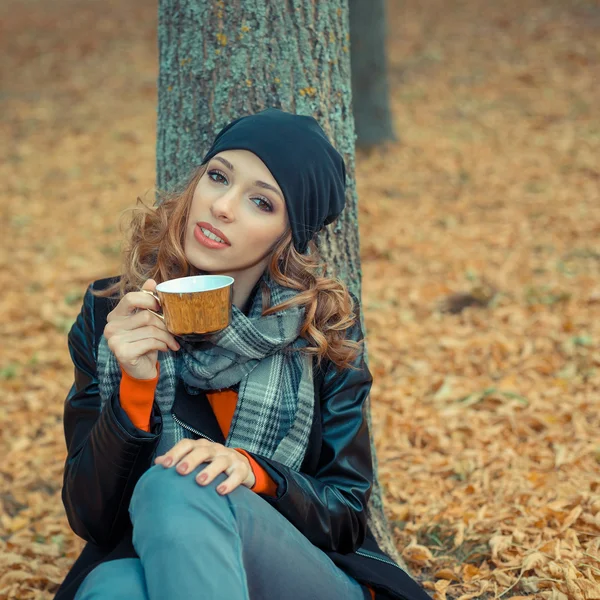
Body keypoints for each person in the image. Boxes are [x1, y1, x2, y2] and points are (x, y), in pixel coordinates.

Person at [55, 108, 430, 600]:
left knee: (179, 482)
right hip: (165, 565)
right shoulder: (112, 314)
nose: (223, 206)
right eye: (217, 177)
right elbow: (91, 518)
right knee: (112, 588)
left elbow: (345, 515)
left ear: (288, 234)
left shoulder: (321, 333)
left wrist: (252, 472)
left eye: (260, 201)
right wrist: (135, 387)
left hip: (299, 572)